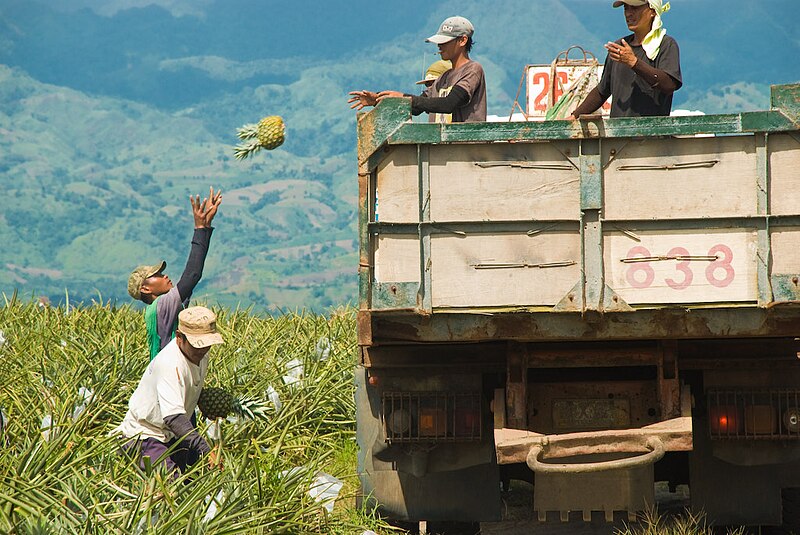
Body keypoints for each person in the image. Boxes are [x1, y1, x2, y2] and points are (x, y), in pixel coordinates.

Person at [113, 306, 224, 475]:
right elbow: (174, 418)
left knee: (189, 481)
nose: (203, 349)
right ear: (179, 336)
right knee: (173, 487)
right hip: (145, 435)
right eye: (197, 345)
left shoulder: (201, 354)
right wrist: (205, 449)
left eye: (207, 344)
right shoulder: (170, 364)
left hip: (171, 435)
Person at [128, 187, 222, 361]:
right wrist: (200, 228)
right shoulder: (162, 305)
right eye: (156, 275)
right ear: (146, 289)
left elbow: (191, 279)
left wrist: (206, 227)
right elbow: (193, 275)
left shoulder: (163, 307)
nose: (164, 276)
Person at [348, 16, 486, 123]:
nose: (439, 46)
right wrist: (378, 99)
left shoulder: (472, 70)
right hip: (442, 151)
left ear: (462, 40)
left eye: (445, 42)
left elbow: (448, 104)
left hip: (466, 149)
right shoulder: (442, 79)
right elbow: (416, 108)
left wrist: (404, 98)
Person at [570, 0, 681, 119]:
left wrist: (634, 63)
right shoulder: (620, 47)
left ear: (652, 11)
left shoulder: (665, 45)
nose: (628, 14)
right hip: (618, 135)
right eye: (626, 8)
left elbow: (669, 85)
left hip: (651, 135)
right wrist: (574, 116)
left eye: (635, 8)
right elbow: (602, 91)